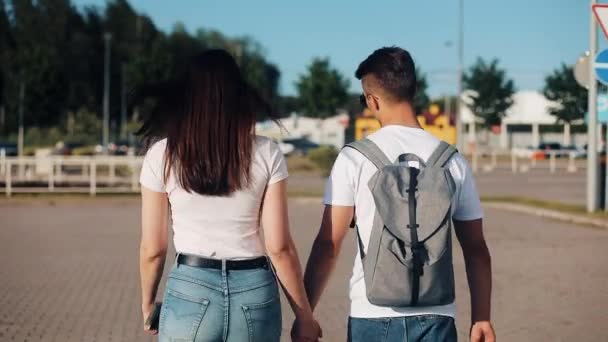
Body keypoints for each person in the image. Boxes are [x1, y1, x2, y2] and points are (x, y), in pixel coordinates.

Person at [301, 47, 496, 342]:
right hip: (438, 314)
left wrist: (306, 314)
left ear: (372, 99)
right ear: (413, 91)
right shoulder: (452, 161)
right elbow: (476, 249)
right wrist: (481, 317)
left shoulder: (354, 158)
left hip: (372, 315)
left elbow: (329, 244)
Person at [137, 49, 321, 342]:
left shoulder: (162, 155)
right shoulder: (267, 153)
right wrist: (305, 316)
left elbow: (153, 249)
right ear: (239, 96)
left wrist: (148, 303)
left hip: (190, 289)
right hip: (255, 291)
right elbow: (279, 248)